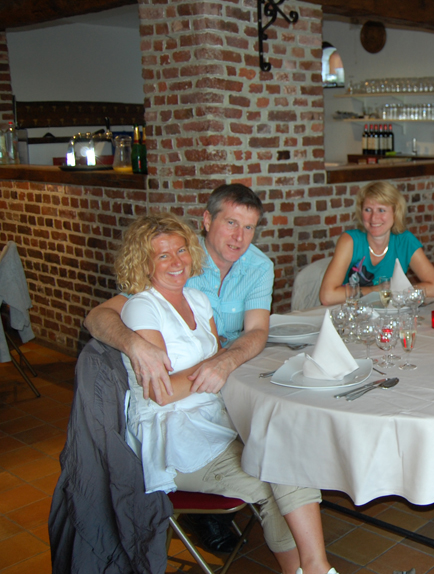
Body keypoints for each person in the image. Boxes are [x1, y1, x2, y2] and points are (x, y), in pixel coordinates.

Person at [115, 213, 337, 574]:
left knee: (289, 450)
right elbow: (162, 392)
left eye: (181, 251)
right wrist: (214, 366)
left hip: (214, 416)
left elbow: (221, 361)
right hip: (176, 436)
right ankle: (313, 569)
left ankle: (314, 568)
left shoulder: (196, 300)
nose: (177, 262)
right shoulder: (142, 307)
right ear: (144, 263)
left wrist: (225, 365)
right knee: (275, 474)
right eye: (163, 255)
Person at [84, 183, 273, 552]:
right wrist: (133, 344)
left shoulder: (257, 265)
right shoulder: (177, 261)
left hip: (230, 367)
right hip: (186, 394)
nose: (239, 237)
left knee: (283, 428)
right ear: (207, 221)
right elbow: (98, 316)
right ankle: (210, 505)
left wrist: (226, 359)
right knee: (269, 464)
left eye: (249, 227)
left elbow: (257, 332)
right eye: (231, 223)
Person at [319, 181, 434, 305]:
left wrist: (397, 290)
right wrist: (377, 290)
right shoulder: (349, 241)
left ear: (395, 213)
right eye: (368, 210)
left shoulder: (405, 241)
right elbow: (327, 296)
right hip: (352, 314)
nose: (373, 218)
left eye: (381, 210)